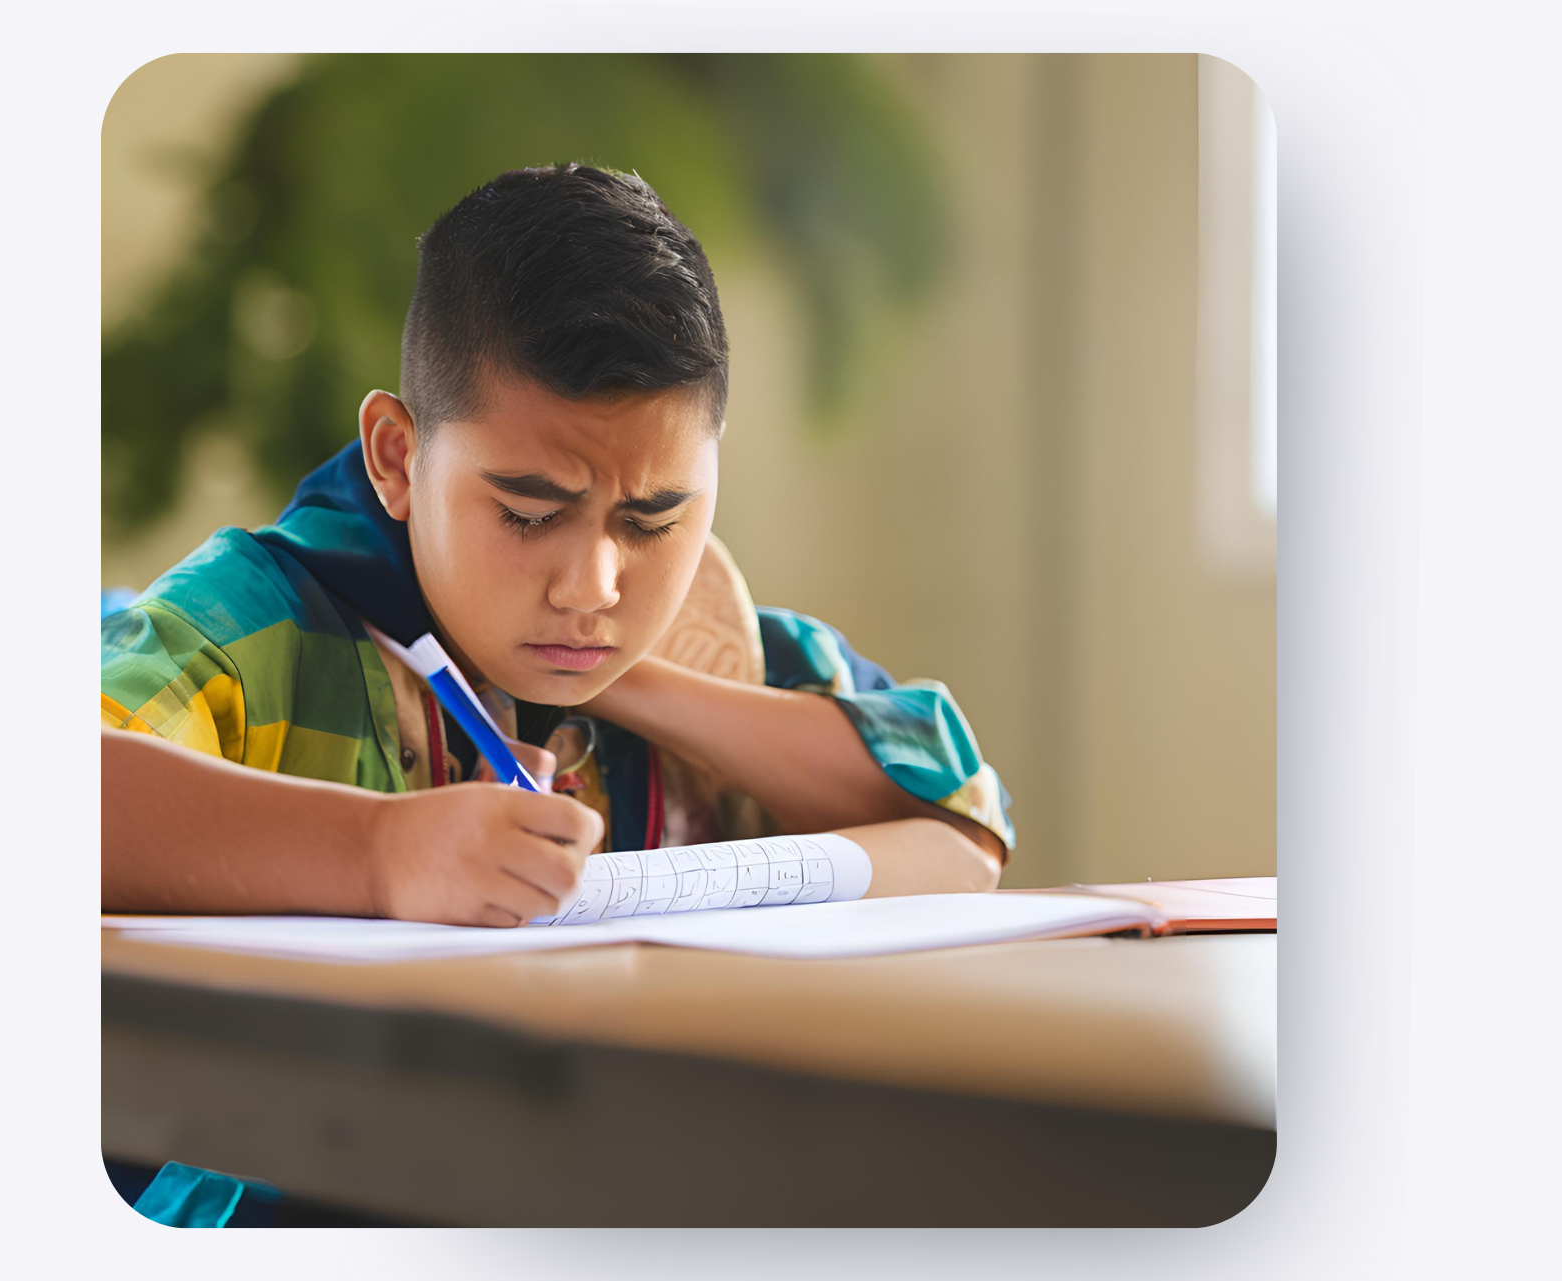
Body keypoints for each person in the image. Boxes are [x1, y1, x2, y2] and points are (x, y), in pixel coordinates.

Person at [102, 162, 1014, 927]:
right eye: (530, 514)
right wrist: (379, 855)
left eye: (653, 520)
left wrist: (633, 682)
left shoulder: (717, 641)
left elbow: (966, 823)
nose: (593, 587)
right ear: (397, 455)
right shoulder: (254, 622)